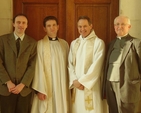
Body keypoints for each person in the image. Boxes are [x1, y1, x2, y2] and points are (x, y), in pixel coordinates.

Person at [68, 16, 108, 113]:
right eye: (80, 26)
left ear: (91, 26)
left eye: (85, 26)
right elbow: (70, 64)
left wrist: (82, 82)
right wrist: (74, 81)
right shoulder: (74, 43)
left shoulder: (98, 43)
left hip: (91, 86)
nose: (82, 29)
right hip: (77, 87)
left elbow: (97, 66)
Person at [31, 16, 70, 113]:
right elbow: (38, 67)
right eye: (48, 26)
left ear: (58, 27)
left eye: (54, 25)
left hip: (62, 84)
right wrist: (40, 89)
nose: (52, 28)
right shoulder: (40, 44)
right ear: (44, 28)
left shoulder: (64, 44)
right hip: (47, 86)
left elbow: (69, 65)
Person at [102, 15, 141, 113]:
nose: (119, 26)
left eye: (123, 24)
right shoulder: (110, 44)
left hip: (128, 87)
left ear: (129, 26)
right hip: (110, 85)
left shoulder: (137, 43)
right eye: (117, 24)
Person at [0, 13, 37, 113]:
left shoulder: (33, 43)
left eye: (23, 23)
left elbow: (33, 65)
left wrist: (23, 84)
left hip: (24, 90)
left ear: (27, 25)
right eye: (18, 22)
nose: (21, 25)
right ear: (13, 24)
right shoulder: (2, 40)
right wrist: (8, 82)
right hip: (6, 88)